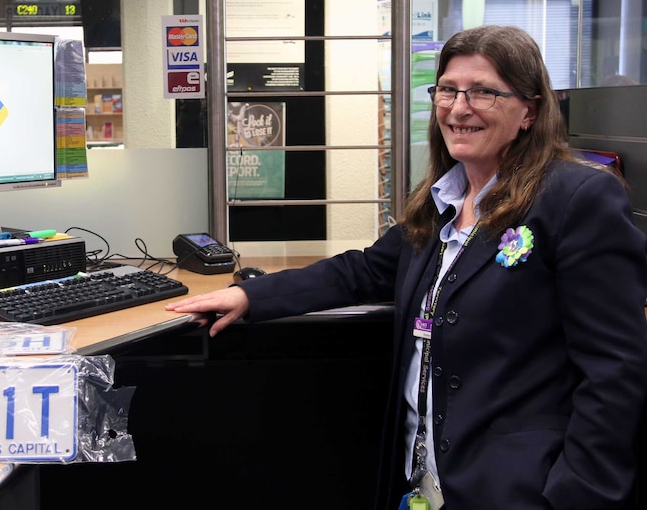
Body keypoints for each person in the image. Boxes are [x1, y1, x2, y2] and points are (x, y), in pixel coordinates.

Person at [166, 25, 647, 510]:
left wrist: (576, 497)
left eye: (484, 92)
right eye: (448, 90)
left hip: (518, 489)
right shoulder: (443, 198)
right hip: (426, 480)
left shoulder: (576, 199)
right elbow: (364, 271)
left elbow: (614, 372)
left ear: (531, 110)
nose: (459, 108)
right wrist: (253, 296)